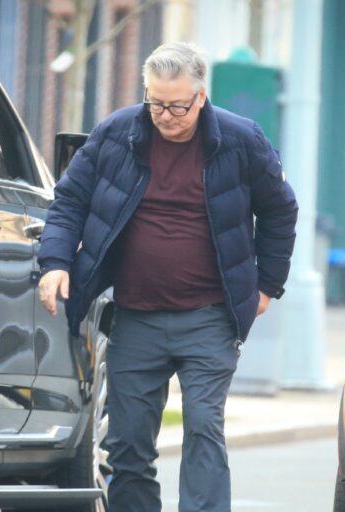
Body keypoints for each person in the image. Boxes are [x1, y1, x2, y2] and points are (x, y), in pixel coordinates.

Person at [37, 42, 298, 512]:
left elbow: (280, 210)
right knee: (128, 445)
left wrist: (267, 286)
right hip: (136, 317)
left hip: (210, 317)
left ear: (201, 98)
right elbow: (69, 201)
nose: (166, 115)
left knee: (203, 427)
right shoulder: (117, 134)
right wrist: (55, 263)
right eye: (155, 102)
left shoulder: (241, 140)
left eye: (177, 105)